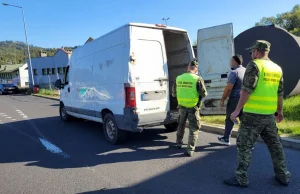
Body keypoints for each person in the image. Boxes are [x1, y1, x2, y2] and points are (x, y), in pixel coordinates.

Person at [224, 40, 291, 188]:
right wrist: (280, 111)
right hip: (269, 115)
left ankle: (241, 177)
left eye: (252, 52)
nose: (251, 54)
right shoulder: (277, 68)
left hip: (252, 116)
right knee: (275, 146)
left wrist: (236, 110)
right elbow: (280, 93)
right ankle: (283, 175)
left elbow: (247, 89)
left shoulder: (254, 65)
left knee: (244, 145)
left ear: (256, 51)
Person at [172, 59, 207, 157]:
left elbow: (174, 93)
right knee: (194, 128)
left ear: (188, 68)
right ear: (196, 69)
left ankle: (179, 143)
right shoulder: (198, 79)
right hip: (193, 107)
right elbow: (204, 94)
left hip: (182, 107)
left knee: (181, 125)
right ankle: (190, 149)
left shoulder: (178, 78)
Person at [218, 55, 245, 145]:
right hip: (245, 99)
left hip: (235, 99)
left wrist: (222, 99)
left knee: (230, 118)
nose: (230, 63)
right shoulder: (246, 71)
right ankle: (246, 141)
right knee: (244, 120)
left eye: (231, 61)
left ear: (235, 62)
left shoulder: (234, 72)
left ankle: (226, 139)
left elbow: (229, 88)